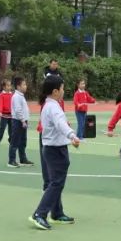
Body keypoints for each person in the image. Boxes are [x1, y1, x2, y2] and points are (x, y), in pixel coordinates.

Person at [29, 76, 80, 229]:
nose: (64, 91)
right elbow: (60, 124)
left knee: (56, 182)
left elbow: (59, 124)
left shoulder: (49, 105)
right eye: (62, 88)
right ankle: (39, 213)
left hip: (53, 148)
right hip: (55, 149)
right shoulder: (53, 107)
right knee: (56, 183)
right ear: (55, 91)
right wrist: (72, 135)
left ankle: (57, 213)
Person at [8, 75, 35, 167]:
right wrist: (23, 121)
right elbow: (18, 110)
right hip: (18, 121)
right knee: (15, 141)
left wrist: (25, 120)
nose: (26, 86)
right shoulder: (16, 96)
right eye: (24, 84)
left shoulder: (21, 96)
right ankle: (11, 160)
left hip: (23, 121)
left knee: (23, 141)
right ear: (18, 86)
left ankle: (23, 159)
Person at [0, 79, 13, 146]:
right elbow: (0, 104)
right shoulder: (2, 95)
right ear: (4, 87)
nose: (9, 87)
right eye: (8, 86)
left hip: (11, 115)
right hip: (4, 115)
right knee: (2, 128)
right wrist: (0, 111)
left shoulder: (12, 94)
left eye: (10, 85)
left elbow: (14, 104)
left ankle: (11, 140)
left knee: (11, 129)